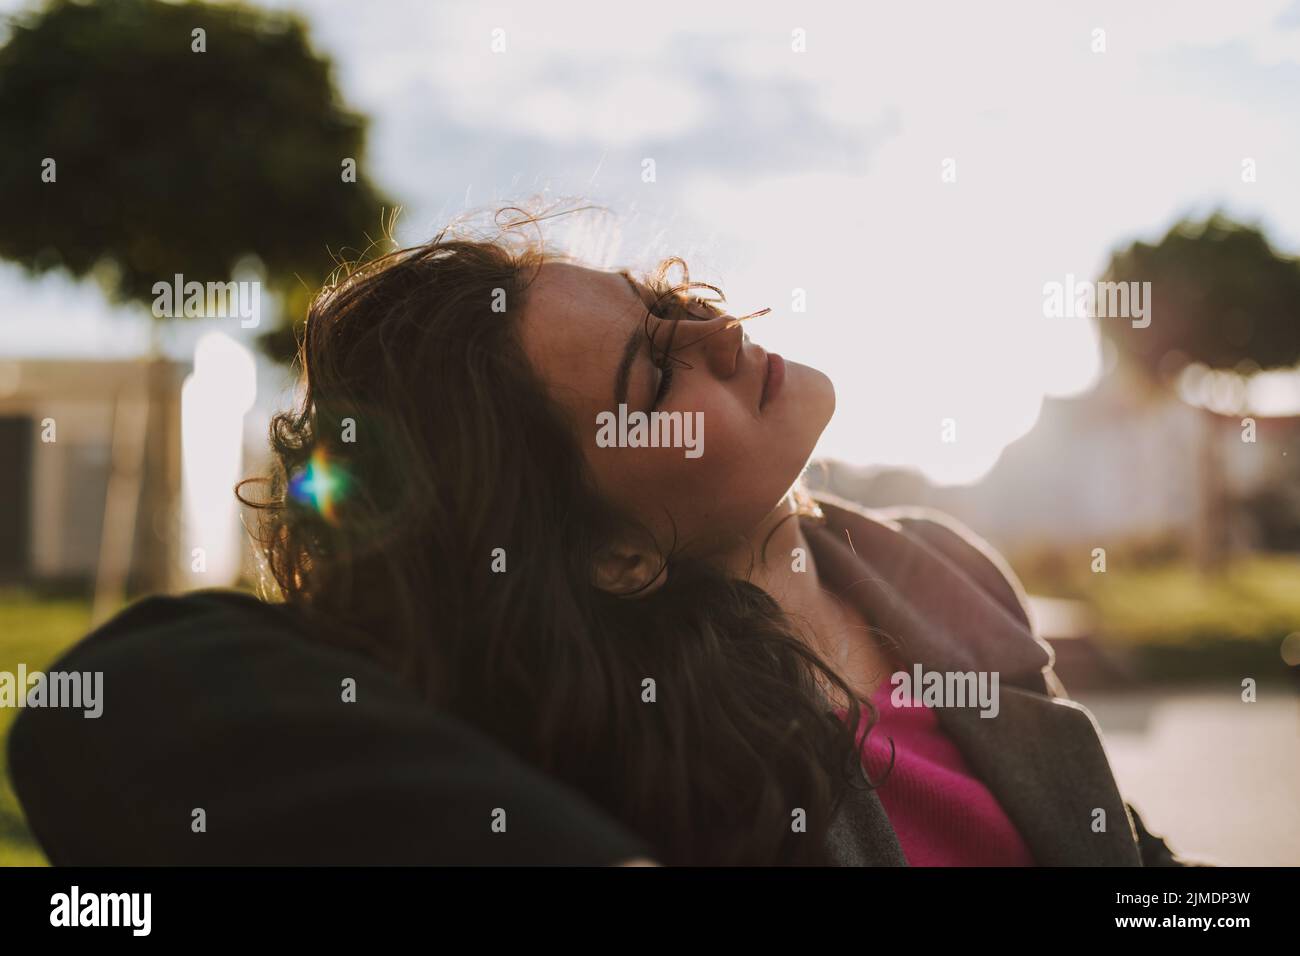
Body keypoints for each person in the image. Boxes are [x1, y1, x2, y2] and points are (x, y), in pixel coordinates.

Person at [10, 205, 1194, 866]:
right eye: (654, 370)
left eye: (669, 305)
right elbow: (120, 702)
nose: (721, 334)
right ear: (613, 555)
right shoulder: (612, 751)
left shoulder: (928, 561)